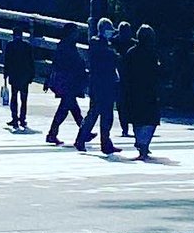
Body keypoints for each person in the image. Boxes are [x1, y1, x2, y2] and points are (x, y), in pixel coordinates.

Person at [76, 18, 122, 154]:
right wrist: (114, 54)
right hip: (100, 84)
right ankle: (81, 139)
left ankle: (105, 143)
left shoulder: (105, 44)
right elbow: (108, 58)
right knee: (95, 113)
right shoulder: (97, 43)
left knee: (106, 115)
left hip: (105, 84)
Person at [122, 24, 162, 159]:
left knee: (137, 118)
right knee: (151, 119)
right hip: (149, 89)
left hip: (134, 89)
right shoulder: (153, 53)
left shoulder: (131, 52)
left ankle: (140, 143)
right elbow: (157, 72)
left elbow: (125, 72)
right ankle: (144, 144)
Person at [43, 22, 86, 145]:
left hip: (67, 82)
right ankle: (53, 133)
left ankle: (83, 130)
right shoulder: (66, 47)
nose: (77, 34)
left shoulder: (66, 45)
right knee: (65, 108)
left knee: (71, 108)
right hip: (67, 82)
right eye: (75, 32)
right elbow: (61, 64)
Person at [3, 25, 35, 130]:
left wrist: (5, 74)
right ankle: (22, 119)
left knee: (14, 97)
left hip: (14, 75)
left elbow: (7, 61)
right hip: (25, 76)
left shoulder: (10, 45)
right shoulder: (27, 45)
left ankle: (14, 119)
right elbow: (31, 61)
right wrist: (32, 75)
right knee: (24, 99)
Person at [112, 21, 135, 137]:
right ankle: (125, 128)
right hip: (119, 77)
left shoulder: (133, 44)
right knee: (121, 104)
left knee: (128, 103)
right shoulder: (114, 42)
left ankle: (129, 127)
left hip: (129, 77)